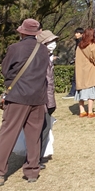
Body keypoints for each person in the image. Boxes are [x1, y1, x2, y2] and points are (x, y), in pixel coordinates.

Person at [0, 18, 50, 187]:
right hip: (38, 98)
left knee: (7, 135)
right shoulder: (44, 50)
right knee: (34, 136)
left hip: (17, 96)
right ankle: (32, 171)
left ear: (22, 32)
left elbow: (5, 69)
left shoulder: (15, 48)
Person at [36, 29, 58, 168]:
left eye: (54, 41)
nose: (53, 44)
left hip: (46, 98)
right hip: (40, 98)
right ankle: (34, 158)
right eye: (50, 42)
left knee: (44, 128)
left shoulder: (48, 56)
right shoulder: (40, 57)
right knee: (39, 129)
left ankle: (37, 156)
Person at [74, 28, 95, 117]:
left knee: (81, 90)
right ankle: (90, 112)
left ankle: (82, 111)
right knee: (91, 91)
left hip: (80, 71)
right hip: (90, 70)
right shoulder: (93, 45)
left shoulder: (79, 46)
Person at [63, 27, 84, 99]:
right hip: (78, 61)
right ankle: (74, 92)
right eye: (75, 33)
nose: (76, 34)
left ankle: (73, 92)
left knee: (76, 77)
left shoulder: (82, 42)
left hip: (81, 62)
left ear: (81, 34)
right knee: (75, 77)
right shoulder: (77, 41)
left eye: (77, 33)